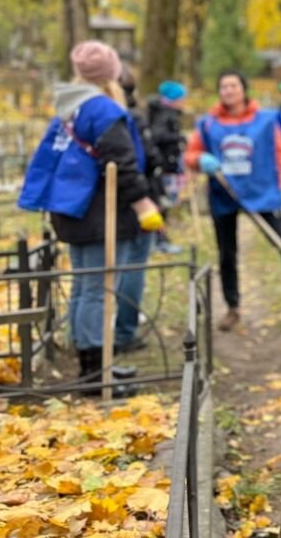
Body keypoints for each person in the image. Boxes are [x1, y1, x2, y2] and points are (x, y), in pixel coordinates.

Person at [19, 41, 165, 392]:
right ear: (110, 73)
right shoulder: (102, 109)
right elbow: (122, 163)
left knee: (87, 288)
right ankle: (96, 375)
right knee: (98, 290)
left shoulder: (71, 107)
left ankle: (95, 366)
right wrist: (144, 204)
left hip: (75, 210)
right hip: (99, 212)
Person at [184, 69, 281, 331]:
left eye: (233, 86)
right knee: (227, 252)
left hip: (261, 190)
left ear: (243, 89)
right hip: (224, 192)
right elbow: (191, 155)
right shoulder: (208, 124)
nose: (228, 91)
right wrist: (199, 160)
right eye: (224, 87)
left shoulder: (267, 120)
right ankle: (232, 306)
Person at [113, 67, 162, 352]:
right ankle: (124, 331)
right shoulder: (127, 118)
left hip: (120, 200)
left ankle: (118, 328)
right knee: (132, 266)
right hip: (133, 201)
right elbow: (143, 161)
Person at [147, 79, 187, 253]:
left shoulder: (169, 114)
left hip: (168, 165)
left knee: (165, 203)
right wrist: (178, 138)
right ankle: (158, 240)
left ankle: (160, 238)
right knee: (161, 202)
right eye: (182, 98)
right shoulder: (165, 115)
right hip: (162, 166)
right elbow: (158, 136)